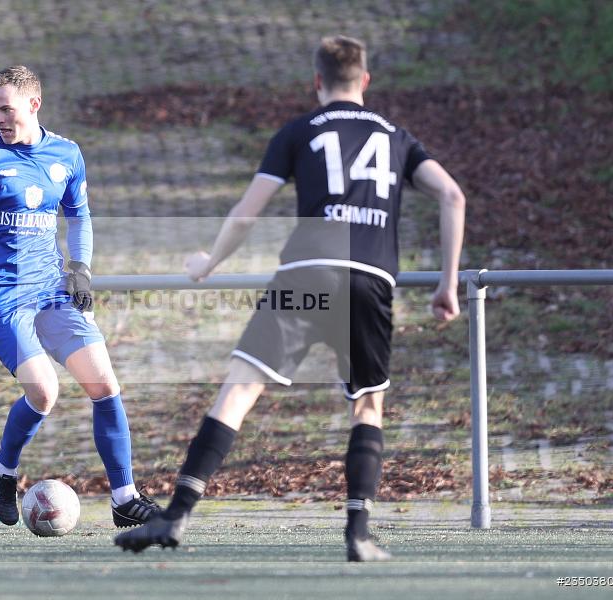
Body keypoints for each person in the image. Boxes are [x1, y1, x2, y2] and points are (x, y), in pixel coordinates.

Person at [115, 35, 466, 561]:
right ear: (366, 80)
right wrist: (447, 283)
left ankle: (176, 515)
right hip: (369, 279)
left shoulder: (300, 131)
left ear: (317, 81)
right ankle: (358, 534)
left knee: (240, 388)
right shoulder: (397, 137)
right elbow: (453, 195)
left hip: (307, 274)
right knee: (368, 404)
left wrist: (208, 263)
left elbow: (247, 212)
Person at [0, 65, 159, 529]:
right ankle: (3, 469)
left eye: (6, 109)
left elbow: (79, 217)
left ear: (33, 104)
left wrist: (80, 269)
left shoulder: (66, 154)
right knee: (44, 392)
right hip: (0, 298)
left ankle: (124, 498)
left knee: (104, 385)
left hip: (51, 292)